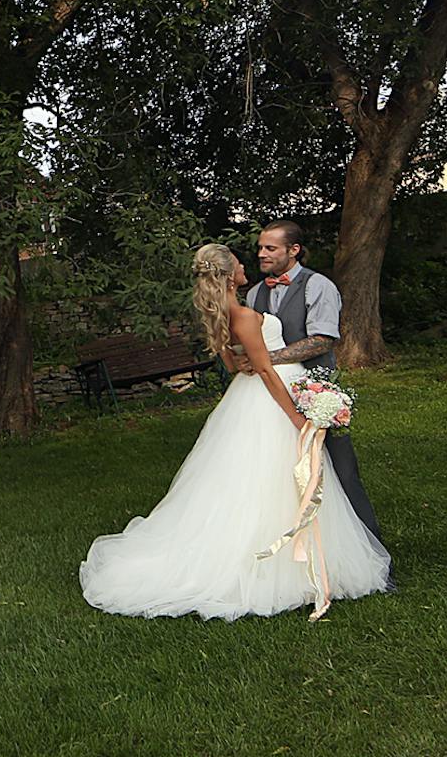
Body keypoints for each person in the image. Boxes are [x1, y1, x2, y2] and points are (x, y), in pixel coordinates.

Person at [78, 243, 391, 620]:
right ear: (229, 276)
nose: (247, 265)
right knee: (275, 479)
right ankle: (277, 569)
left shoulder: (222, 314)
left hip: (248, 398)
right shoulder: (242, 314)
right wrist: (295, 417)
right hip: (270, 400)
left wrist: (248, 363)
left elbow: (233, 364)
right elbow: (264, 370)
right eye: (240, 264)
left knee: (257, 480)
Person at [246, 220, 385, 545]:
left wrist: (268, 359)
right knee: (283, 474)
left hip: (317, 391)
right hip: (273, 396)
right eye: (260, 248)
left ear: (293, 251)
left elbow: (322, 340)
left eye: (270, 248)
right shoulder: (254, 294)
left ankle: (371, 550)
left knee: (341, 471)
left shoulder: (317, 285)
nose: (262, 254)